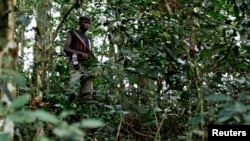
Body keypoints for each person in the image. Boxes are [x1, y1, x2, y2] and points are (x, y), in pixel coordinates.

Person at [64, 16, 94, 101]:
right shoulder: (72, 33)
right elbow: (66, 48)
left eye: (89, 23)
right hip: (76, 64)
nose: (87, 25)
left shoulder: (88, 39)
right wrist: (80, 53)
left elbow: (90, 53)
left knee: (87, 93)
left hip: (87, 67)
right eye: (85, 22)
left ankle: (83, 111)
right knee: (72, 89)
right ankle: (66, 110)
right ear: (80, 23)